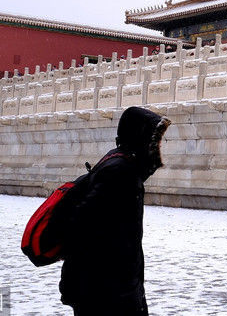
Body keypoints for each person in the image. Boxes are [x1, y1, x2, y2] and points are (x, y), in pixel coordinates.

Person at [60, 106, 171, 315]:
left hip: (109, 287)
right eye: (154, 138)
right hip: (106, 292)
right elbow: (83, 224)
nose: (157, 145)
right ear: (139, 137)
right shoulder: (120, 172)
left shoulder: (121, 165)